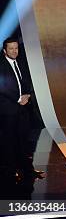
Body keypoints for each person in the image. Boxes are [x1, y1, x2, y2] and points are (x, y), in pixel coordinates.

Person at [0, 38, 42, 184]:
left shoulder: (20, 62)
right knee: (10, 142)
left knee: (24, 140)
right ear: (4, 50)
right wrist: (18, 98)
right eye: (11, 49)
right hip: (8, 110)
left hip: (23, 108)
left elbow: (26, 82)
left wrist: (27, 95)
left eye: (16, 48)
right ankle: (11, 172)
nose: (14, 51)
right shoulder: (1, 65)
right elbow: (3, 87)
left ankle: (27, 169)